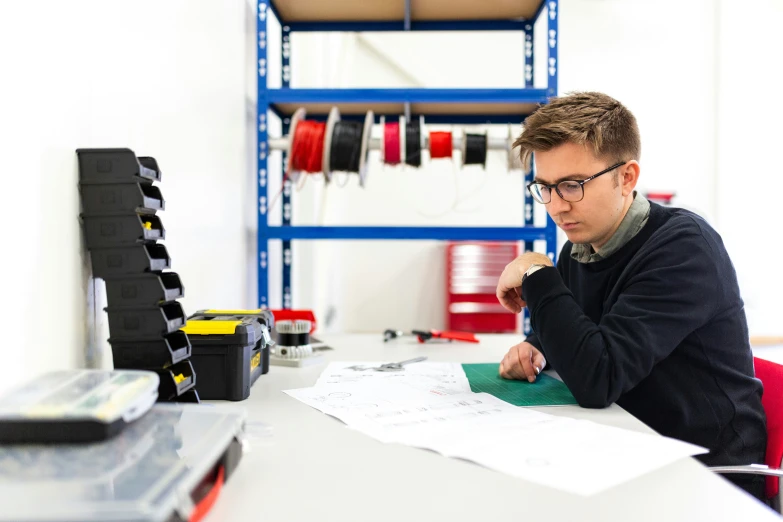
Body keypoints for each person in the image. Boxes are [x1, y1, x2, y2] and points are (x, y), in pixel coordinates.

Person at [495, 92, 767, 501]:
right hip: (624, 450)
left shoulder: (683, 249)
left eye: (572, 186)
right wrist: (537, 348)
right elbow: (589, 329)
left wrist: (536, 270)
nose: (555, 206)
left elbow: (598, 378)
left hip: (705, 480)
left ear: (627, 177)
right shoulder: (581, 247)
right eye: (545, 187)